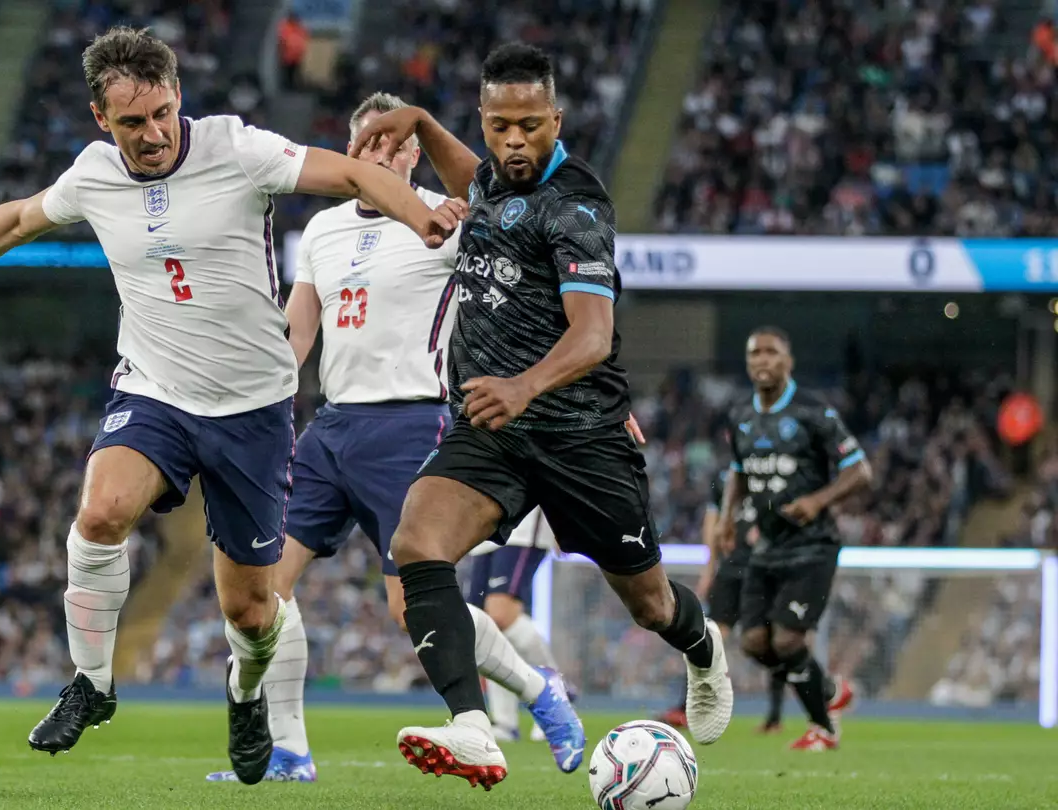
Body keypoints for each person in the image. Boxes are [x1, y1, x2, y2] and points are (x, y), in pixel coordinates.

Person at [0, 27, 462, 785]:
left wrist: (417, 214)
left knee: (250, 612)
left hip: (252, 409)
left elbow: (347, 174)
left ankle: (246, 692)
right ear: (99, 119)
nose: (151, 135)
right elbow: (15, 219)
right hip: (154, 389)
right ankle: (91, 683)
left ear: (179, 98)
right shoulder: (92, 175)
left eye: (162, 115)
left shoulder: (237, 149)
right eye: (131, 123)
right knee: (102, 511)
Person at [349, 43, 734, 788]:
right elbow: (479, 183)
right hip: (493, 433)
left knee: (650, 605)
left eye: (530, 125)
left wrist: (524, 387)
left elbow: (591, 335)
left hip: (580, 436)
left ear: (556, 119)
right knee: (418, 544)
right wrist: (424, 123)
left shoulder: (579, 207)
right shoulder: (495, 176)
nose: (514, 141)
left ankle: (703, 647)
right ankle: (471, 727)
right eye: (499, 126)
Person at [203, 92, 582, 784]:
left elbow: (525, 293)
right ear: (351, 150)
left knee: (411, 603)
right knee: (263, 590)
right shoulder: (320, 230)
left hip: (412, 423)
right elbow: (299, 329)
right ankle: (290, 752)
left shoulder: (448, 218)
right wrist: (247, 409)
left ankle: (536, 689)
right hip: (330, 429)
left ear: (412, 152)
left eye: (392, 144)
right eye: (366, 143)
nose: (380, 153)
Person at [719, 326, 867, 752]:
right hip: (766, 545)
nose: (762, 360)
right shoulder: (740, 415)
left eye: (772, 352)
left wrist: (818, 500)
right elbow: (739, 471)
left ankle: (825, 729)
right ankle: (828, 690)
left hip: (812, 545)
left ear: (789, 361)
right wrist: (727, 519)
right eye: (755, 354)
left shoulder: (813, 412)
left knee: (787, 640)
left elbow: (861, 471)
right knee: (753, 642)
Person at [657, 465, 788, 733]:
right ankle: (685, 707)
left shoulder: (778, 468)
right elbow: (712, 522)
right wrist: (709, 570)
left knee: (771, 640)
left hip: (764, 569)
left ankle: (776, 716)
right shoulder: (726, 476)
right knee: (708, 636)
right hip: (730, 570)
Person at [464, 508, 563, 743]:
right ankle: (505, 721)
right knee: (483, 626)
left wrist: (564, 523)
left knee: (500, 615)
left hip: (521, 524)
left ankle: (557, 698)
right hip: (484, 530)